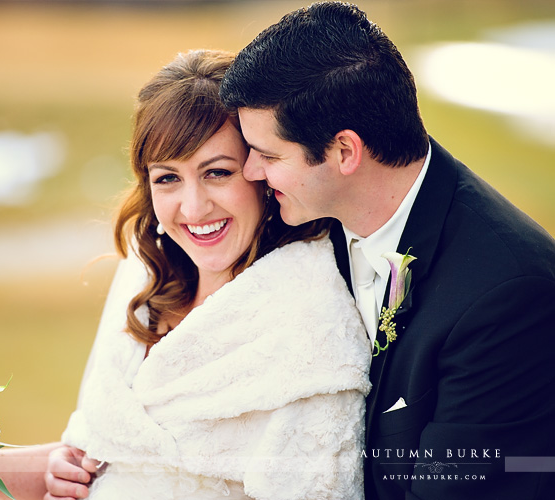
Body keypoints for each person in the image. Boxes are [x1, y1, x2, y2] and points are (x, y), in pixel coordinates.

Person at [217, 2, 555, 499]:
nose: (250, 173)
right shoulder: (303, 224)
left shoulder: (510, 296)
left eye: (268, 155)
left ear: (345, 152)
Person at [21, 48, 372, 500]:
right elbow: (105, 442)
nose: (193, 207)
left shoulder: (310, 325)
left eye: (217, 173)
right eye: (167, 178)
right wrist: (66, 466)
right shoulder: (149, 279)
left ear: (262, 172)